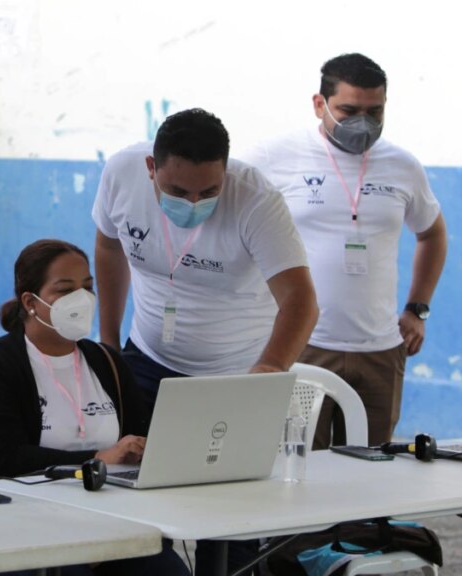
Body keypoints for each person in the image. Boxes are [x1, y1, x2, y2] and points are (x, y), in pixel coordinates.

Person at [92, 108, 318, 575]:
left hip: (233, 377)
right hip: (146, 361)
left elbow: (301, 300)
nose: (194, 202)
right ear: (152, 169)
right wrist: (109, 342)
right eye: (177, 191)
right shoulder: (121, 174)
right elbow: (109, 247)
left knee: (232, 521)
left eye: (209, 191)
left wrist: (270, 370)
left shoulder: (256, 199)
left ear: (226, 172)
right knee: (134, 509)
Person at [241, 53, 447, 448]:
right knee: (299, 467)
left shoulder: (402, 166)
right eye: (349, 110)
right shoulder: (274, 157)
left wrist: (417, 309)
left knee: (371, 476)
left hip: (381, 350)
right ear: (320, 105)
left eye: (375, 111)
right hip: (304, 346)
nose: (363, 123)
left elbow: (432, 234)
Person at [0, 239, 188, 576]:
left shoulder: (107, 362)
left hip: (114, 523)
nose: (81, 299)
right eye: (65, 289)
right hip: (24, 529)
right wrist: (92, 461)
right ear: (30, 302)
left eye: (87, 287)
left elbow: (140, 436)